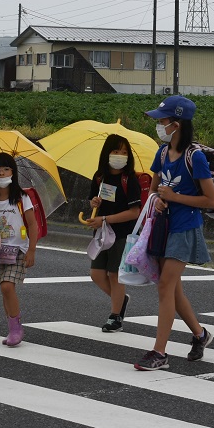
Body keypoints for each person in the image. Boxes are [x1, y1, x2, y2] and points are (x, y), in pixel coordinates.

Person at [134, 95, 214, 371]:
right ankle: (201, 335)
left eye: (163, 120)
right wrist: (157, 198)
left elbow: (211, 201)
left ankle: (159, 352)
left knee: (166, 287)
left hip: (184, 228)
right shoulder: (161, 152)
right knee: (172, 288)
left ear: (177, 124)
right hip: (163, 226)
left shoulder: (196, 157)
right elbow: (154, 188)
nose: (159, 124)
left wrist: (175, 197)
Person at [0, 152, 39, 347]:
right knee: (5, 290)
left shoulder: (21, 198)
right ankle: (12, 328)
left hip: (18, 250)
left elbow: (33, 224)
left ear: (13, 172)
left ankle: (16, 328)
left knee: (7, 286)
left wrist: (32, 251)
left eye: (5, 169)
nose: (1, 173)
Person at [85, 134, 142, 333]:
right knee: (96, 273)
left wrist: (105, 219)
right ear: (107, 153)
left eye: (124, 152)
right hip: (102, 233)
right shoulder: (99, 177)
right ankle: (120, 300)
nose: (120, 156)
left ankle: (115, 316)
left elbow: (134, 212)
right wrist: (94, 204)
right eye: (116, 151)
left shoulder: (130, 179)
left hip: (122, 233)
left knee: (115, 275)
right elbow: (94, 200)